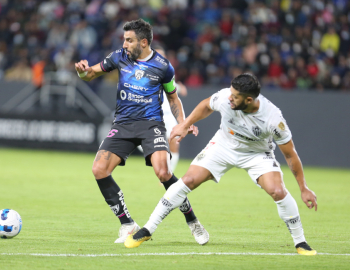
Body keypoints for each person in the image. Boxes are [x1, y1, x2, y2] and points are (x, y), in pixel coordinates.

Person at [124, 73, 318, 255]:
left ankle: (300, 242)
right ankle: (148, 229)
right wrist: (184, 124)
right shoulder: (226, 96)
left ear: (249, 100)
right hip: (223, 145)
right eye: (230, 94)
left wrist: (304, 188)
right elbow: (206, 106)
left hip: (256, 154)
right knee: (188, 180)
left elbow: (291, 155)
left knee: (277, 191)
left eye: (235, 97)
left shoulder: (273, 119)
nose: (229, 98)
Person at [74, 18, 209, 245]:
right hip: (123, 124)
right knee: (99, 169)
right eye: (124, 40)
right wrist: (81, 72)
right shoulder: (119, 57)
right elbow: (90, 74)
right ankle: (128, 224)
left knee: (164, 173)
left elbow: (173, 97)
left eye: (129, 40)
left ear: (144, 42)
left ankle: (192, 220)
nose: (124, 44)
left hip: (151, 125)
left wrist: (182, 123)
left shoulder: (163, 66)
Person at [136, 45, 188, 172]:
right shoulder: (142, 73)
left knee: (174, 143)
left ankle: (168, 172)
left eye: (161, 55)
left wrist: (181, 89)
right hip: (150, 116)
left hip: (168, 115)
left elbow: (176, 88)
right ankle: (157, 156)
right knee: (137, 141)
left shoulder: (167, 72)